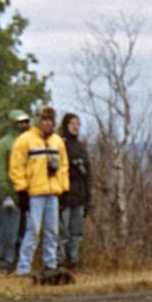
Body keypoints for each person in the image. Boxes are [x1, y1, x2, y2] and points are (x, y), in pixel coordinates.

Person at [9, 106, 69, 277]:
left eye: (50, 119)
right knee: (33, 230)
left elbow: (64, 167)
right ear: (38, 121)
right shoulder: (25, 140)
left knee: (52, 231)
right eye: (44, 119)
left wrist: (63, 189)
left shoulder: (57, 142)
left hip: (52, 192)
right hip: (34, 193)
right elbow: (16, 166)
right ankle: (23, 267)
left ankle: (50, 264)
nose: (47, 123)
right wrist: (21, 190)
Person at [0, 109, 31, 273]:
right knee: (8, 235)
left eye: (25, 122)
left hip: (27, 196)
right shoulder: (3, 144)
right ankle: (3, 267)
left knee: (25, 234)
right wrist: (5, 195)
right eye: (20, 122)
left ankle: (20, 267)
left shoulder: (30, 142)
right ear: (12, 123)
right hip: (10, 197)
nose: (23, 125)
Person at [57, 112, 91, 269]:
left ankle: (73, 260)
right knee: (63, 232)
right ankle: (61, 261)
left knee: (76, 233)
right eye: (72, 124)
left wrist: (88, 198)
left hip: (79, 196)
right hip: (64, 195)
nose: (76, 127)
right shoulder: (60, 144)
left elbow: (88, 174)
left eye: (78, 124)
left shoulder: (81, 147)